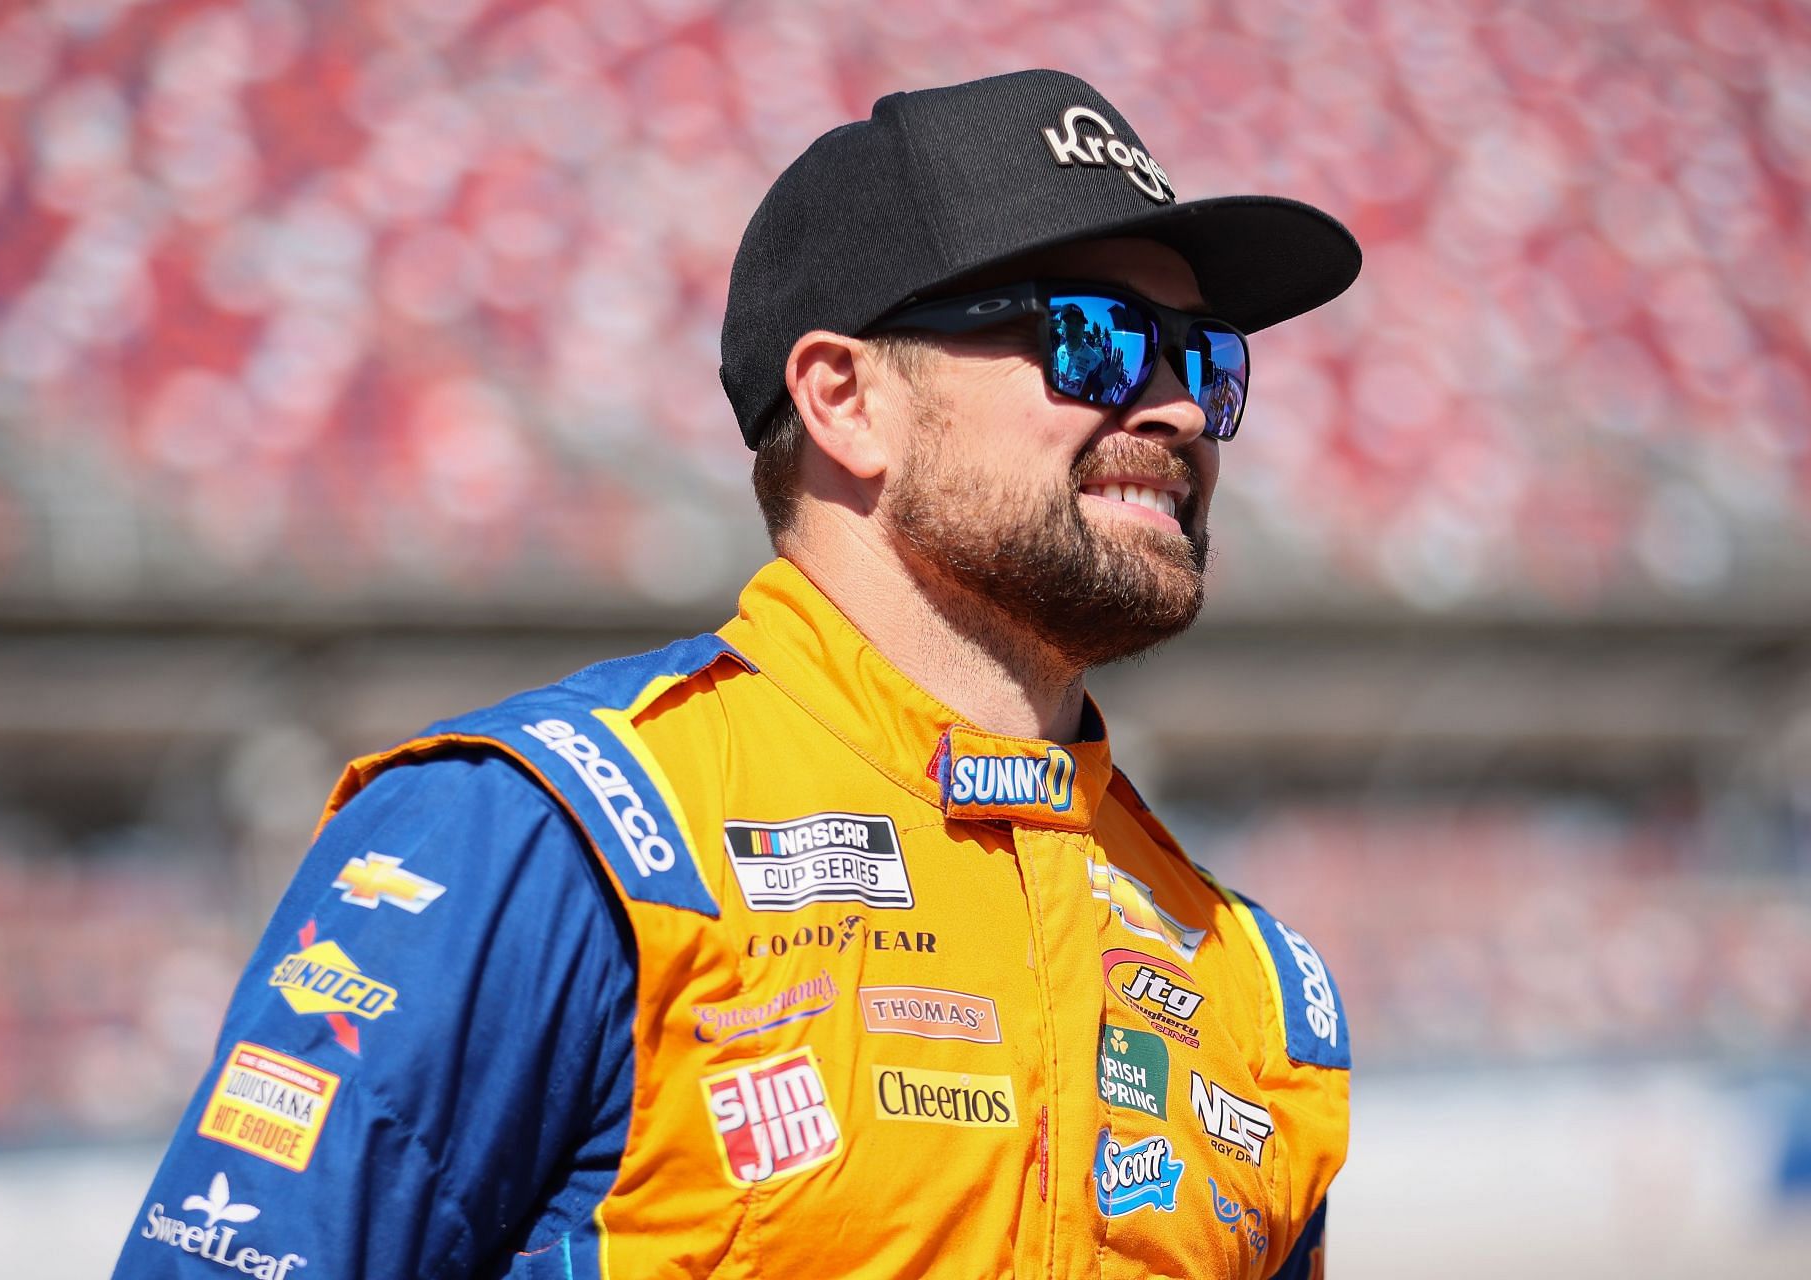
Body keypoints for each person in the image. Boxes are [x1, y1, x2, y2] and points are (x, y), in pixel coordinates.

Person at [114, 68, 1360, 1279]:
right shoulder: (549, 841)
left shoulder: (1248, 980)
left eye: (1206, 361)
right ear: (845, 400)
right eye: (1097, 340)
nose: (1181, 411)